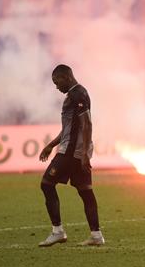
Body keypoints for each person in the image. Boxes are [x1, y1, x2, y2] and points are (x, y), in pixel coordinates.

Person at [38, 64, 103, 246]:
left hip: (71, 152)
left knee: (46, 184)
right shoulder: (75, 94)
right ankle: (96, 235)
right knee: (86, 192)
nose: (56, 86)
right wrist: (51, 144)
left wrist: (83, 153)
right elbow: (69, 128)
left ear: (66, 77)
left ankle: (58, 231)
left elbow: (87, 124)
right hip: (75, 151)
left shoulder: (78, 94)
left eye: (56, 81)